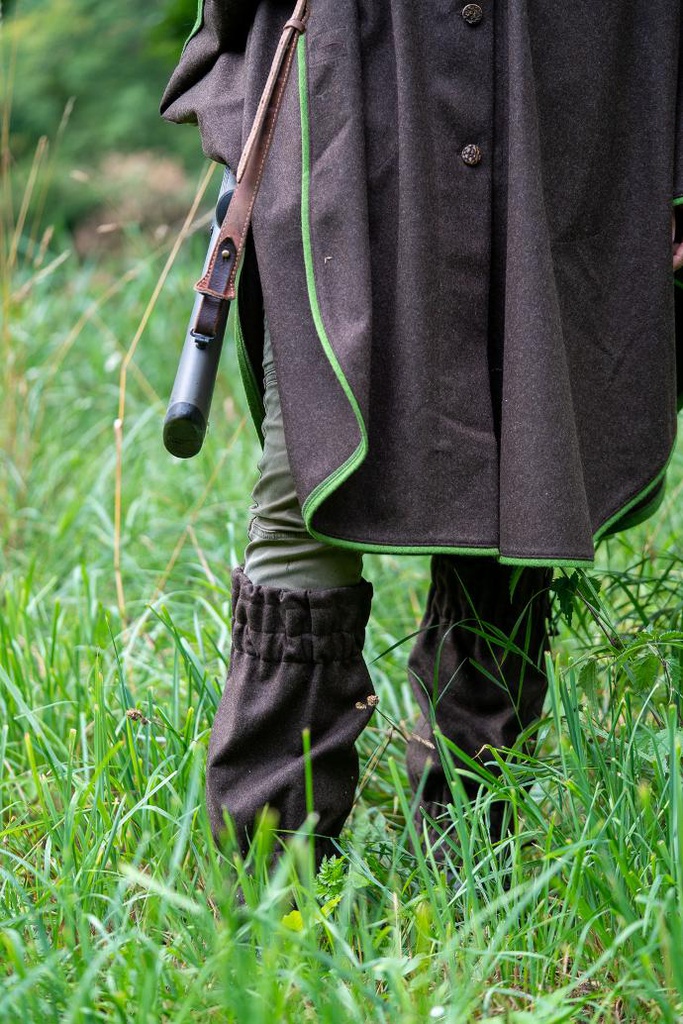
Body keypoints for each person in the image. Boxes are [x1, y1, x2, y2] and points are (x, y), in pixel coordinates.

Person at [161, 0, 683, 862]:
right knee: (307, 483)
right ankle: (264, 884)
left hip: (565, 107)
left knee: (525, 459)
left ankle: (472, 854)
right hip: (355, 99)